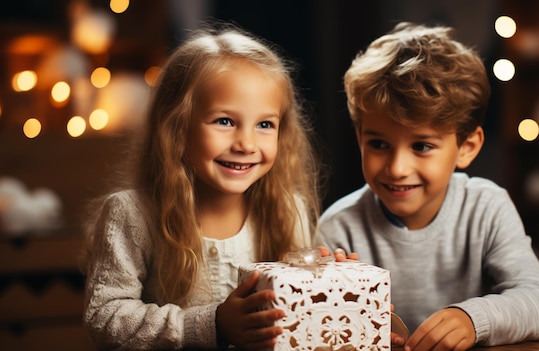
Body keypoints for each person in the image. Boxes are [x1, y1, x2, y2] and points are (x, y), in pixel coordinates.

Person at [80, 23, 346, 350]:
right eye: (224, 121)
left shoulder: (287, 211)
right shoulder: (132, 214)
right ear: (176, 128)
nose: (246, 143)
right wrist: (213, 323)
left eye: (265, 124)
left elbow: (298, 319)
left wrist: (333, 289)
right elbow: (105, 318)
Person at [319, 22, 539, 350]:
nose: (397, 168)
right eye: (378, 144)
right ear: (359, 138)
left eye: (421, 146)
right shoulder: (338, 227)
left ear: (467, 147)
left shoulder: (486, 208)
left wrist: (473, 319)